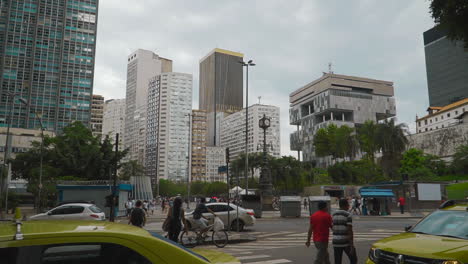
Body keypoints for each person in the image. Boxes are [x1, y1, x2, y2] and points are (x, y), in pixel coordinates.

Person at [332, 198, 357, 264]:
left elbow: (333, 227)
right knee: (353, 259)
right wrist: (351, 246)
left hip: (335, 241)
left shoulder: (334, 214)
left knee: (337, 261)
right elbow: (349, 231)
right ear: (345, 205)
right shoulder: (347, 214)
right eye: (348, 204)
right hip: (345, 242)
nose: (349, 206)